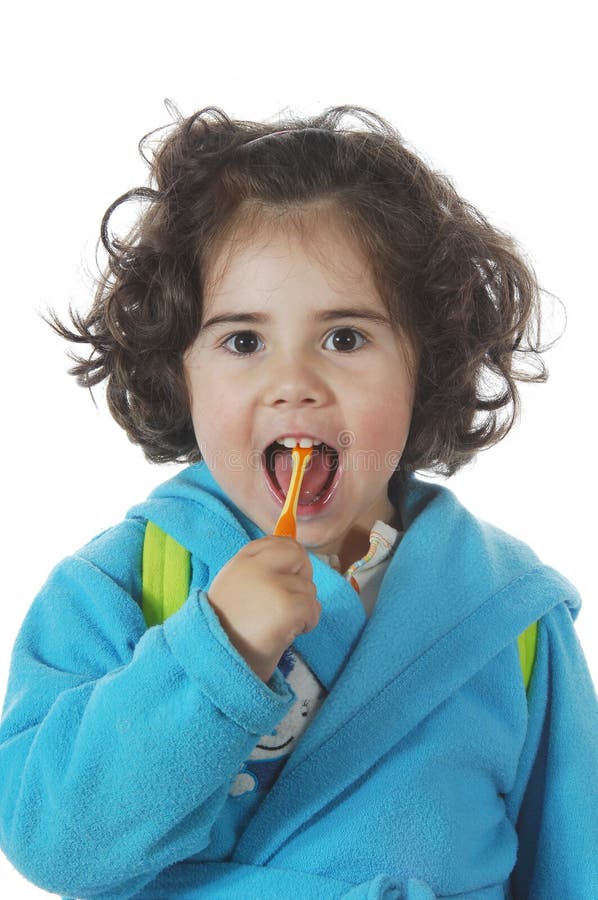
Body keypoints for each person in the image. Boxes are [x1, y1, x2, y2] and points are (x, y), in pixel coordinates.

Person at [0, 104, 596, 900]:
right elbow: (54, 844)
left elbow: (575, 866)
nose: (294, 385)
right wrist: (217, 655)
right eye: (242, 342)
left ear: (429, 363)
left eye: (345, 338)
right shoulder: (116, 588)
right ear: (180, 370)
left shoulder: (508, 617)